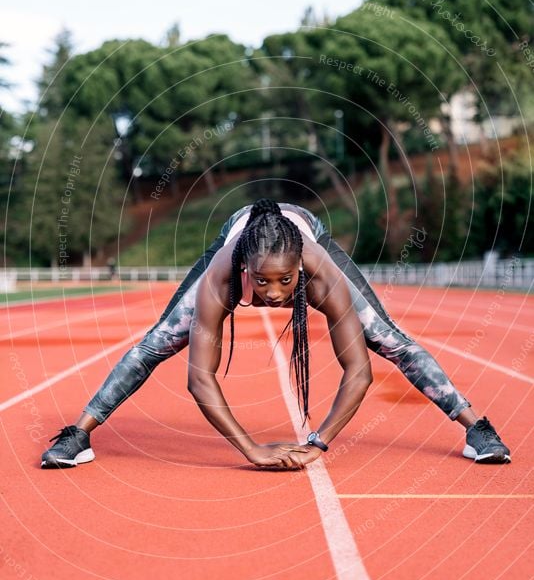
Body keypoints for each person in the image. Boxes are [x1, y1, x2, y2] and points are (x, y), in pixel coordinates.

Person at [41, 198, 511, 470]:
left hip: (306, 228)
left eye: (286, 282)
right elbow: (199, 378)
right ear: (244, 268)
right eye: (262, 281)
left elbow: (359, 371)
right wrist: (251, 449)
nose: (273, 294)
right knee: (159, 340)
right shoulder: (222, 275)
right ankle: (77, 435)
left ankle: (478, 429)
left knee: (388, 338)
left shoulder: (321, 271)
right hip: (238, 229)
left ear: (300, 270)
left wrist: (319, 441)